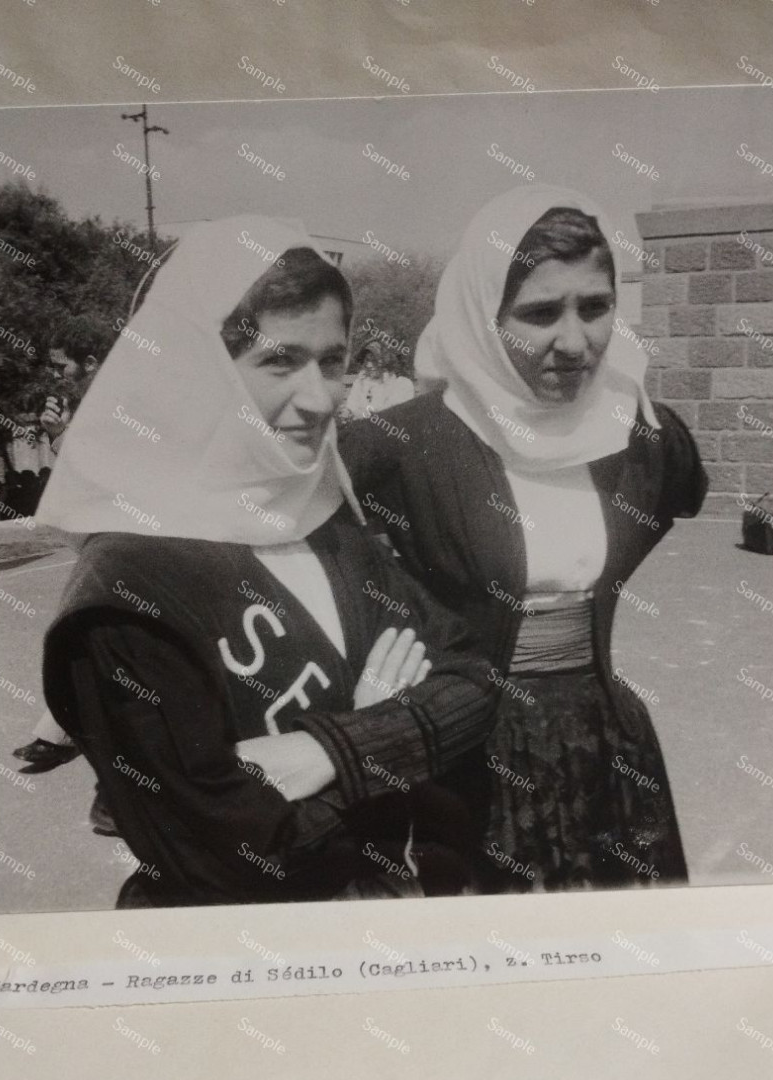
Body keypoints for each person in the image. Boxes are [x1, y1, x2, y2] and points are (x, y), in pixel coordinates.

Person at [36, 215, 496, 909]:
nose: (319, 399)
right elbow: (243, 858)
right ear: (194, 369)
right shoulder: (125, 591)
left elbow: (475, 679)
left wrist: (326, 750)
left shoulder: (319, 517)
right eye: (280, 361)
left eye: (332, 361)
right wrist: (384, 737)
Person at [340, 184, 708, 893]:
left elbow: (682, 494)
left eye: (595, 307)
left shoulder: (641, 438)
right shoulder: (404, 445)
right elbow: (263, 519)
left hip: (610, 755)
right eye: (540, 313)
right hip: (466, 761)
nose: (574, 342)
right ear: (483, 316)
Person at [12, 346, 101, 777]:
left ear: (92, 360)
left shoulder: (116, 402)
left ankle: (66, 737)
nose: (55, 375)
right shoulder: (84, 403)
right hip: (100, 538)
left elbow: (107, 475)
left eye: (61, 364)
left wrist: (63, 437)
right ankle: (62, 732)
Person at [342, 340, 414, 420]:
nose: (369, 365)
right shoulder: (360, 383)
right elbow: (351, 407)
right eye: (366, 360)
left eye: (374, 360)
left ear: (384, 362)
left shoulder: (401, 384)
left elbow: (386, 413)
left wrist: (361, 413)